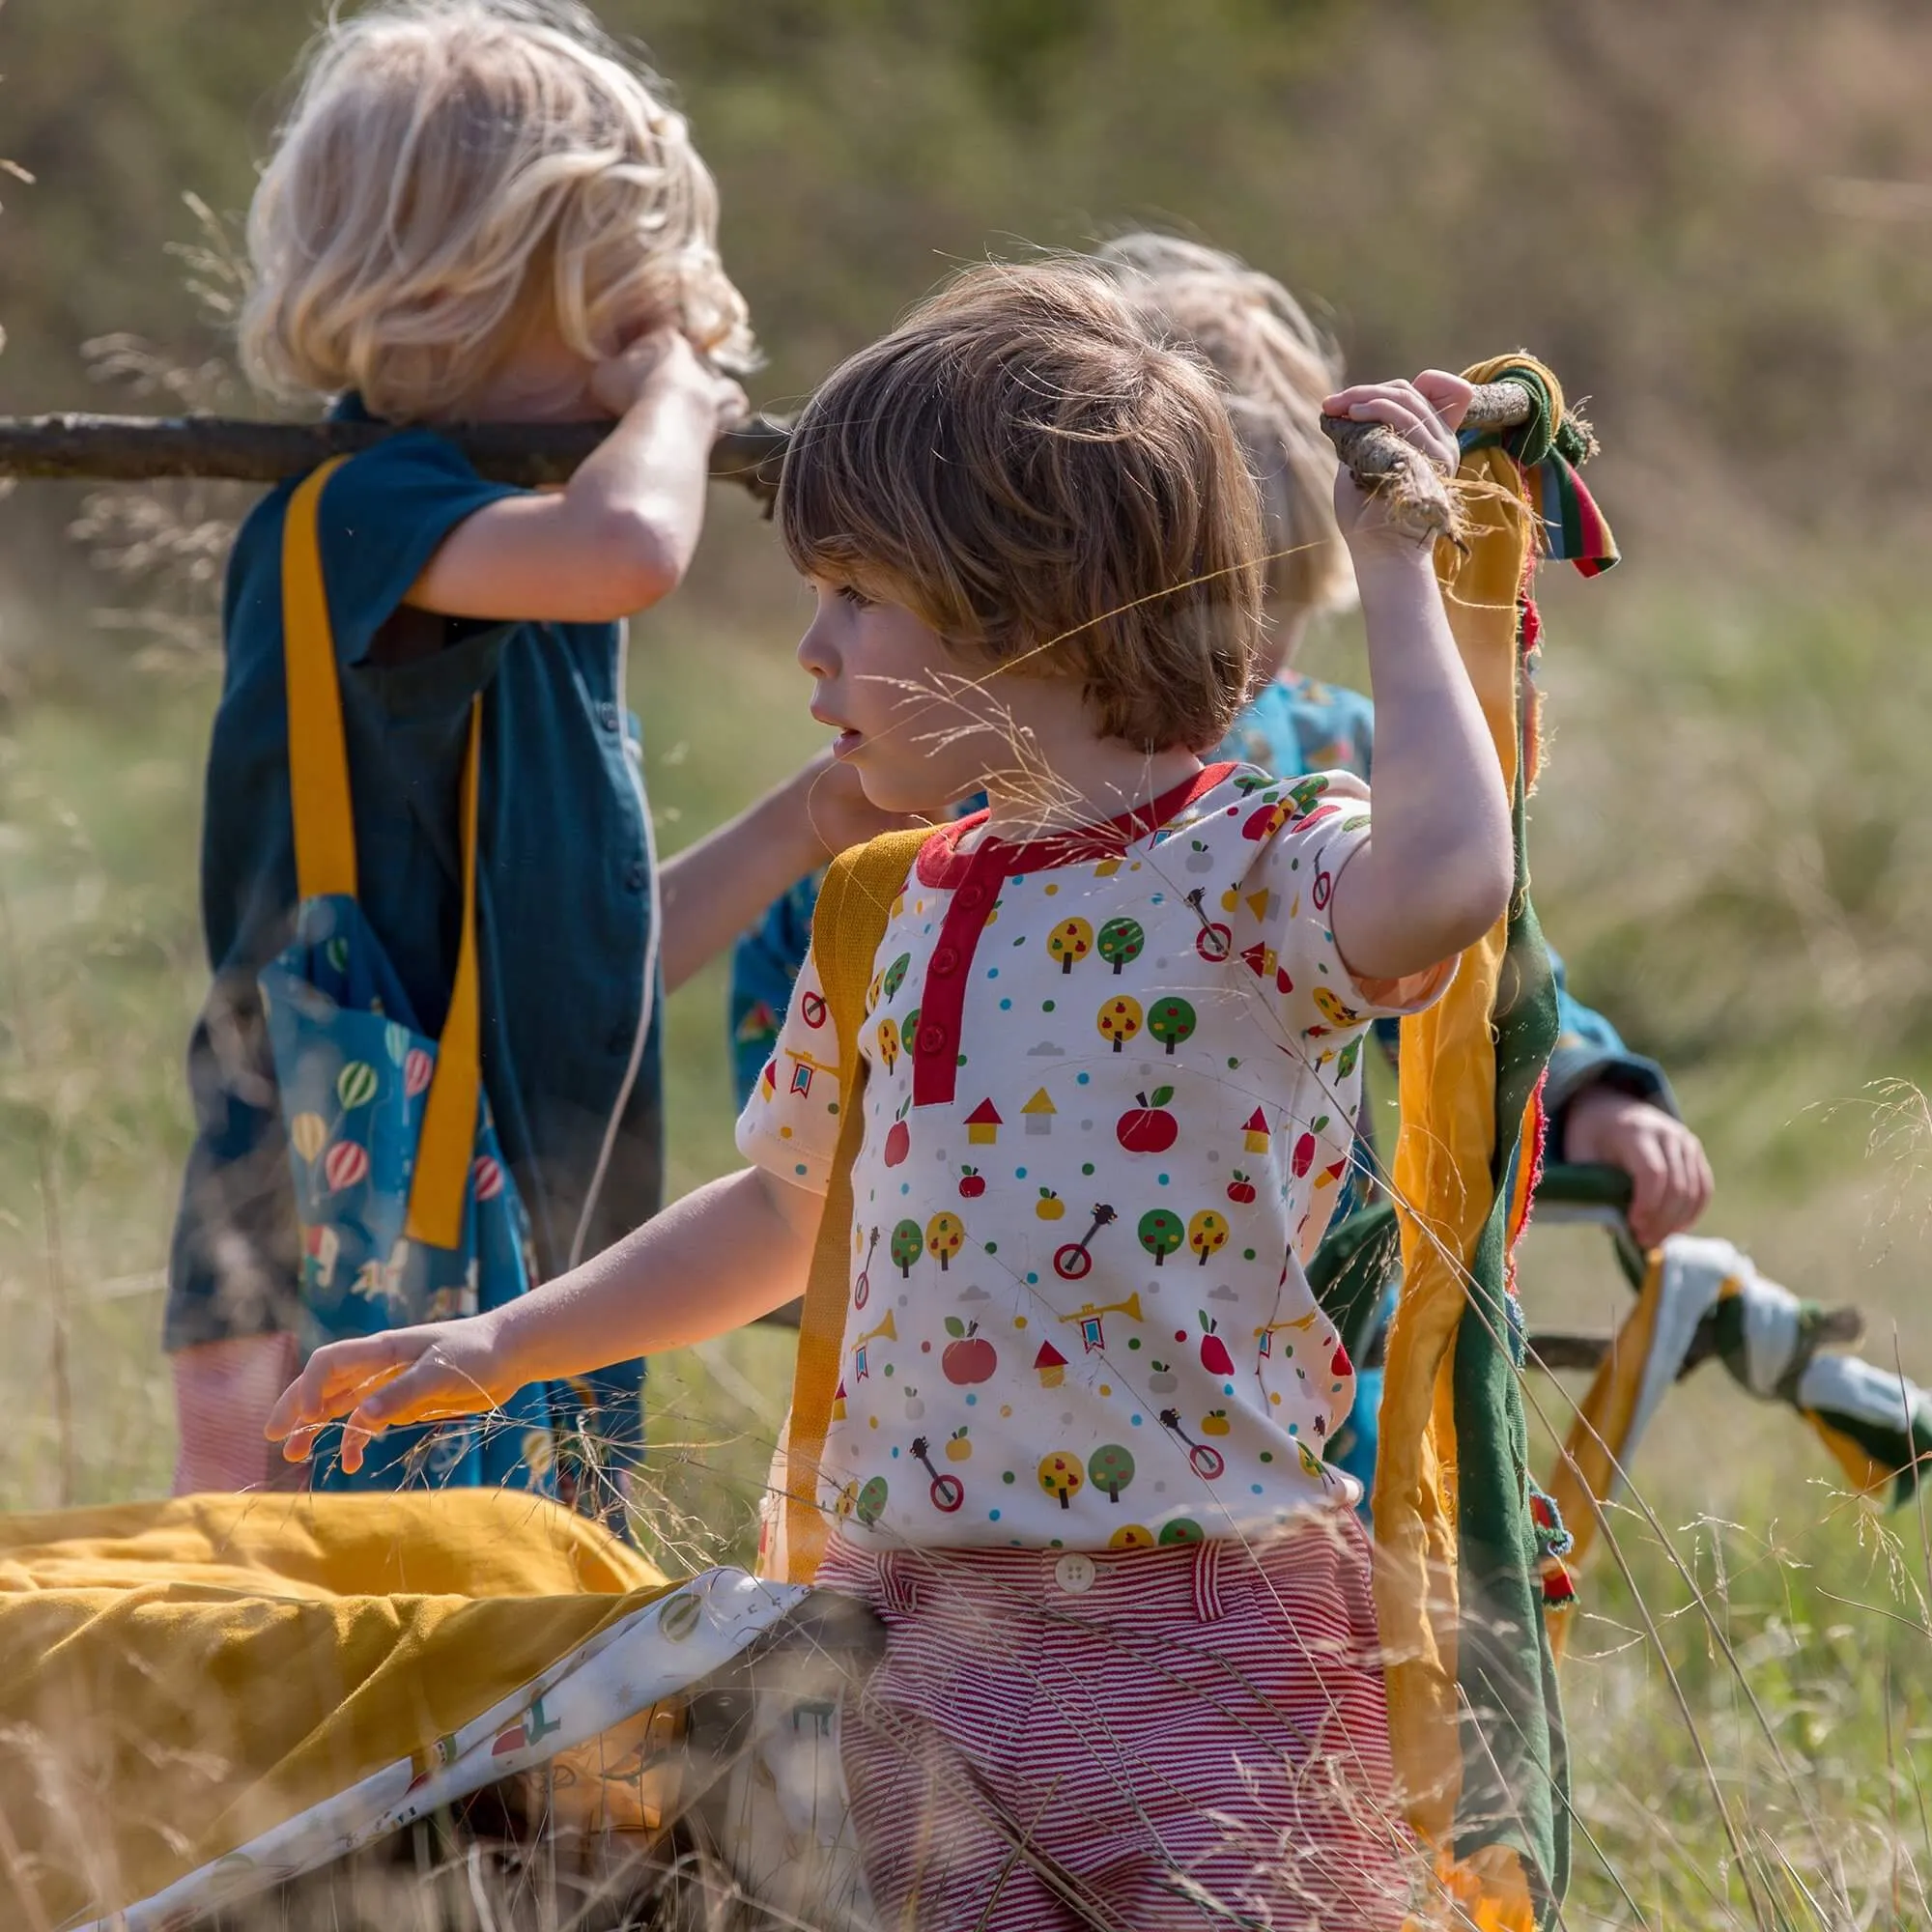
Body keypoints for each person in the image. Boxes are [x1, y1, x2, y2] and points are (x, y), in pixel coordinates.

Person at [270, 258, 1511, 1928]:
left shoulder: (1255, 871)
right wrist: (505, 1342)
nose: (811, 646)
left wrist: (1400, 570)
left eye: (858, 596)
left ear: (1020, 608)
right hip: (929, 1645)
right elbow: (789, 1212)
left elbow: (1448, 880)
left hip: (1211, 1649)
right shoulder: (894, 904)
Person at [730, 232, 1714, 1502]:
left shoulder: (1334, 771)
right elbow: (819, 1138)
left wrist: (1587, 1087)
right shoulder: (949, 827)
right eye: (1197, 611)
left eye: (1262, 620)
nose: (1218, 668)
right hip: (994, 1444)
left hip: (1297, 1318)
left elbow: (1482, 951)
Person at [165, 0, 889, 1505]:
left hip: (509, 1263)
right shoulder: (363, 518)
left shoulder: (522, 593)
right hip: (314, 1251)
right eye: (618, 304)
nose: (653, 338)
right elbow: (631, 543)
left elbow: (587, 969)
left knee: (494, 1698)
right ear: (480, 287)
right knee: (309, 1688)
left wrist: (802, 824)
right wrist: (680, 407)